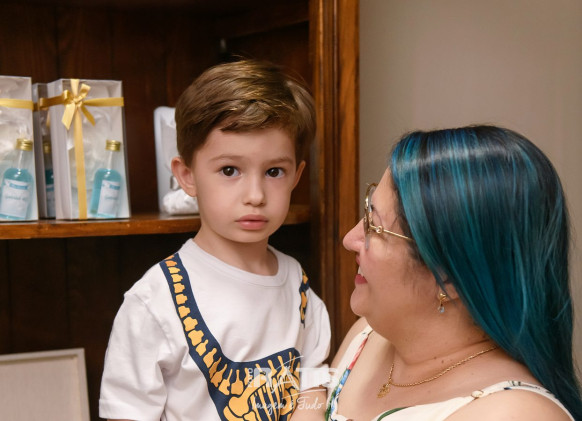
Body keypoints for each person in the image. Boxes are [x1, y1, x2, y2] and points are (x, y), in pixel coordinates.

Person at [99, 59, 331, 421]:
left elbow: (312, 385)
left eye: (274, 171)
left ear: (296, 176)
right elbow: (127, 413)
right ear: (187, 176)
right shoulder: (153, 302)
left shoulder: (296, 283)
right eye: (229, 170)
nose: (255, 195)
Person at [326, 125, 581, 420]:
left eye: (375, 226)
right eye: (367, 210)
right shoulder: (365, 335)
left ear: (448, 277)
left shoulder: (514, 414)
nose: (349, 239)